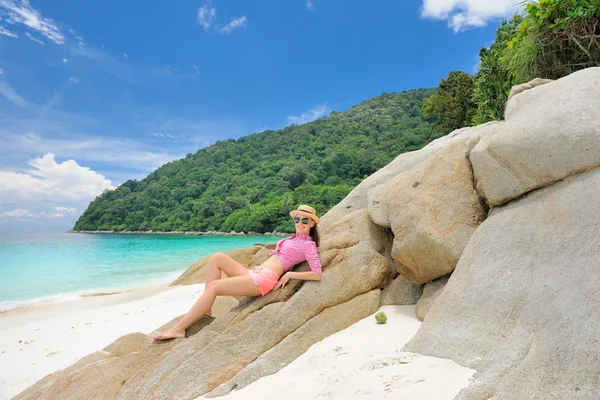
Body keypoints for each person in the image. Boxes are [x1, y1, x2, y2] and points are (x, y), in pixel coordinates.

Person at [153, 205, 323, 340]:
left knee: (214, 287)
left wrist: (289, 275)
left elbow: (317, 273)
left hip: (263, 280)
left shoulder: (309, 245)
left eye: (304, 220)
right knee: (217, 257)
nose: (300, 223)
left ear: (312, 223)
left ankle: (179, 329)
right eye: (297, 219)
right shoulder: (294, 238)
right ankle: (206, 309)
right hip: (255, 272)